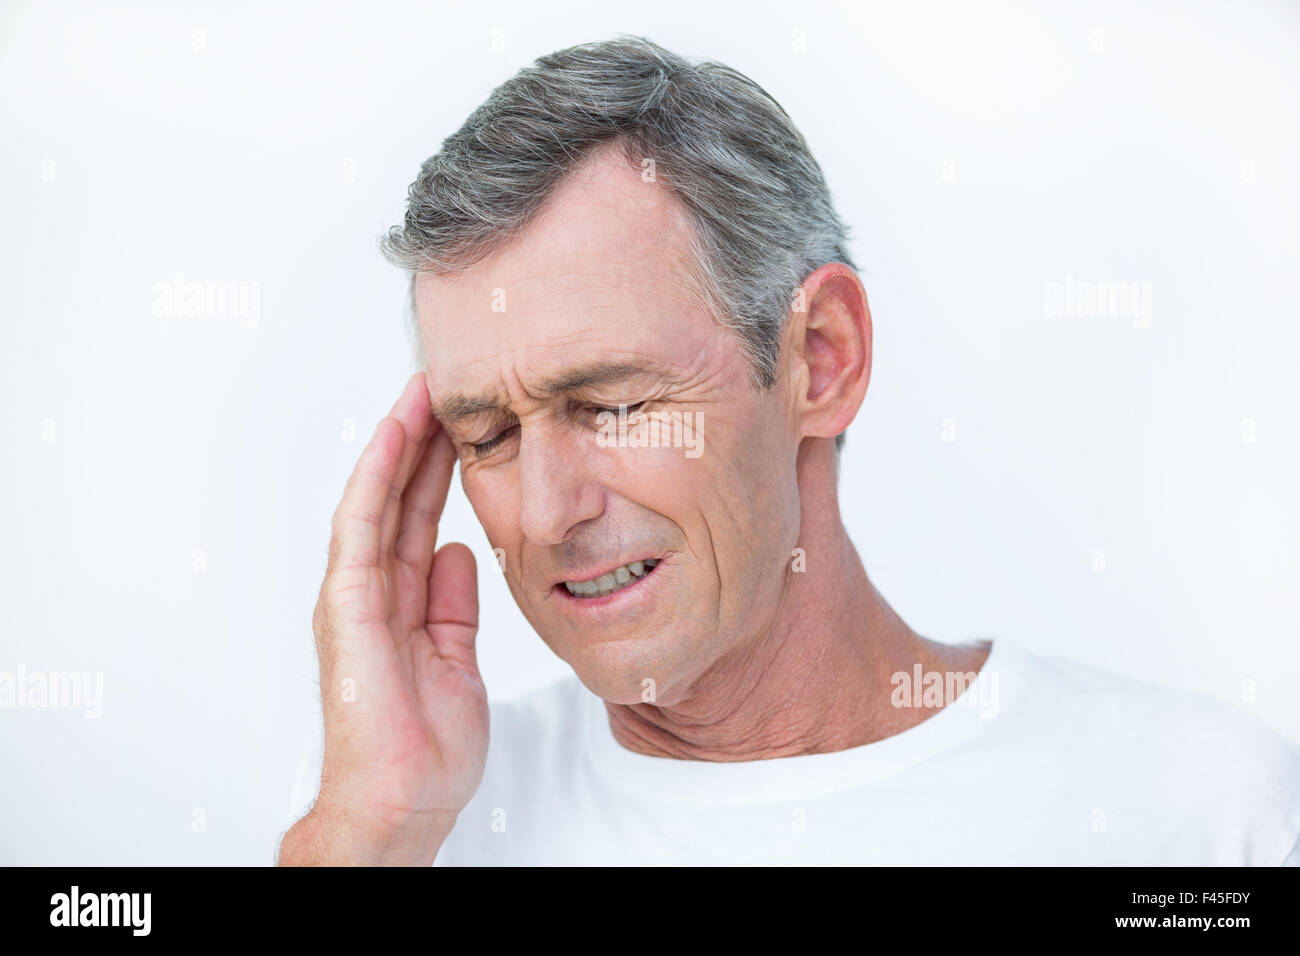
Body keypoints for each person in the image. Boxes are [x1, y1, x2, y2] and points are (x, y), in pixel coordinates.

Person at [276, 36, 1300, 866]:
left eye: (613, 403)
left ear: (821, 357)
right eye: (488, 434)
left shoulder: (1195, 808)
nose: (545, 513)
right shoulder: (410, 820)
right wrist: (368, 833)